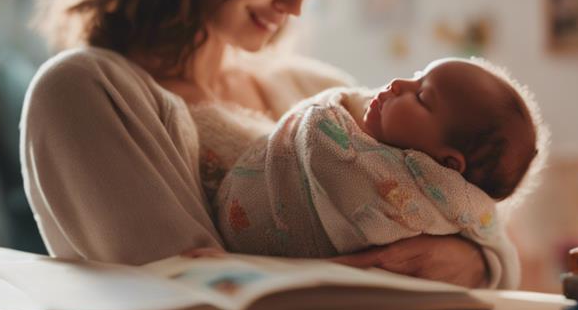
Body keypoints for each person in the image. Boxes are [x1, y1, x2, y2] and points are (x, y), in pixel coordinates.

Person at [21, 0, 500, 288]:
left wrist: (475, 261)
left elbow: (480, 222)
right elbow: (190, 287)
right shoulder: (85, 92)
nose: (293, 5)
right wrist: (381, 268)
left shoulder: (317, 89)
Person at [213, 58, 547, 290]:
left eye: (421, 96)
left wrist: (474, 262)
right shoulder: (349, 112)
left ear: (447, 166)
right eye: (416, 75)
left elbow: (499, 257)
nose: (398, 84)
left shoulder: (449, 203)